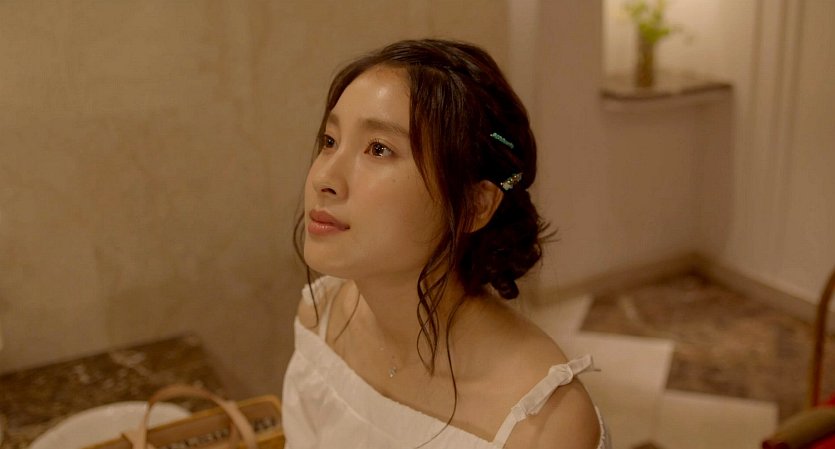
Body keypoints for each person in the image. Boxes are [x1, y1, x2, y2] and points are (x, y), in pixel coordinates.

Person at [282, 39, 610, 449]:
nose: (323, 178)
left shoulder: (542, 422)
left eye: (378, 149)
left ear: (474, 204)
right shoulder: (322, 316)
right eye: (330, 141)